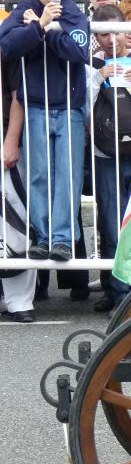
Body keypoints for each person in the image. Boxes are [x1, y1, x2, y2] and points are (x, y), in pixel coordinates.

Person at [0, 0, 90, 263]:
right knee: (38, 173)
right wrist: (38, 26)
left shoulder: (74, 12)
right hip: (35, 106)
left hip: (70, 107)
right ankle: (41, 234)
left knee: (67, 175)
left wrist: (51, 30)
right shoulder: (23, 11)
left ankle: (63, 238)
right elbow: (8, 45)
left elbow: (78, 50)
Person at [87, 4, 131, 312]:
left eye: (116, 30)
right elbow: (80, 104)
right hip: (105, 155)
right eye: (103, 33)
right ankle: (118, 292)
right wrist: (100, 76)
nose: (111, 39)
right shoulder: (88, 63)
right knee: (111, 223)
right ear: (95, 36)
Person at [1, 47, 36, 322]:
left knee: (16, 219)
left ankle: (20, 301)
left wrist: (11, 140)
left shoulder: (5, 47)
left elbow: (17, 97)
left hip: (5, 141)